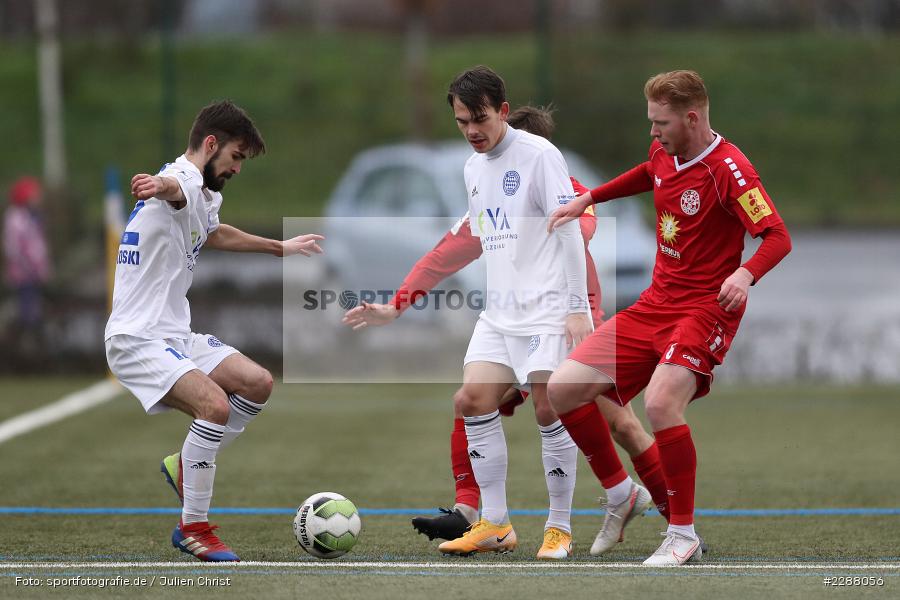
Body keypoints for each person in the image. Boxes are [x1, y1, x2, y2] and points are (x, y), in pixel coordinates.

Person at [343, 105, 676, 556]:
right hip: (516, 322)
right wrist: (398, 304)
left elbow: (583, 226)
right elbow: (447, 252)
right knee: (473, 399)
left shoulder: (560, 183)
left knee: (622, 423)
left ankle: (669, 519)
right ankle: (471, 511)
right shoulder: (484, 184)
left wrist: (569, 288)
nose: (482, 142)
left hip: (568, 320)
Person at [546, 70, 792, 565]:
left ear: (692, 117)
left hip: (704, 309)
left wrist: (744, 276)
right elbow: (648, 172)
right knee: (563, 388)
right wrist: (591, 197)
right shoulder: (665, 150)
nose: (653, 132)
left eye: (661, 123)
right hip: (655, 302)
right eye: (651, 122)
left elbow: (778, 237)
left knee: (660, 406)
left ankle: (683, 535)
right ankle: (621, 494)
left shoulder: (730, 169)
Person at [104, 100, 324, 563]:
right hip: (136, 338)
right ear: (210, 145)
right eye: (236, 157)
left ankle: (184, 464)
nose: (238, 168)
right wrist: (155, 183)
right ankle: (194, 527)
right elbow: (172, 188)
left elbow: (212, 231)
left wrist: (277, 247)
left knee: (257, 383)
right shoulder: (184, 177)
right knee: (215, 405)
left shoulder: (204, 197)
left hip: (173, 334)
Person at [3, 177, 51, 354]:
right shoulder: (16, 218)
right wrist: (28, 267)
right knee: (27, 310)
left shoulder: (33, 217)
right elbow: (14, 247)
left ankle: (33, 344)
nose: (38, 199)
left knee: (36, 309)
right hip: (24, 274)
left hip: (35, 273)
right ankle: (25, 346)